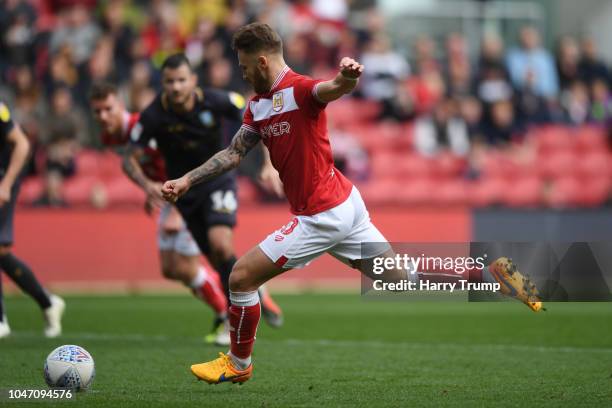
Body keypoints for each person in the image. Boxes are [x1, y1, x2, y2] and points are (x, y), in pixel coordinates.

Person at [161, 23, 543, 385]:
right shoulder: (257, 106)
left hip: (322, 215)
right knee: (401, 278)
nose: (242, 74)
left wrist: (348, 76)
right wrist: (187, 180)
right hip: (345, 205)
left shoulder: (300, 90)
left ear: (262, 61)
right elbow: (232, 153)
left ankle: (238, 364)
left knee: (241, 277)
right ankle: (491, 275)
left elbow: (331, 88)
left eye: (245, 67)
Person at [125, 54, 284, 334]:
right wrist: (146, 184)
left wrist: (268, 164)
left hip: (217, 180)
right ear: (163, 83)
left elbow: (258, 117)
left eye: (181, 80)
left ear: (193, 81)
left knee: (220, 243)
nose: (175, 87)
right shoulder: (153, 115)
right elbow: (129, 157)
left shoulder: (216, 100)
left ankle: (242, 311)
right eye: (170, 82)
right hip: (184, 192)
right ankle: (247, 300)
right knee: (216, 259)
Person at [89, 82, 230, 345]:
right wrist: (148, 189)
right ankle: (232, 289)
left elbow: (178, 159)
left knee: (187, 267)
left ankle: (228, 312)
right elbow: (133, 165)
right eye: (97, 112)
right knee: (169, 269)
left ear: (121, 105)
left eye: (108, 109)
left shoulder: (142, 128)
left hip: (187, 192)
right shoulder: (110, 136)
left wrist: (179, 207)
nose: (103, 116)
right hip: (168, 193)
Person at [0, 101, 65, 338]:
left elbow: (22, 144)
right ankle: (47, 302)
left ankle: (1, 321)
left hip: (3, 179)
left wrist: (5, 185)